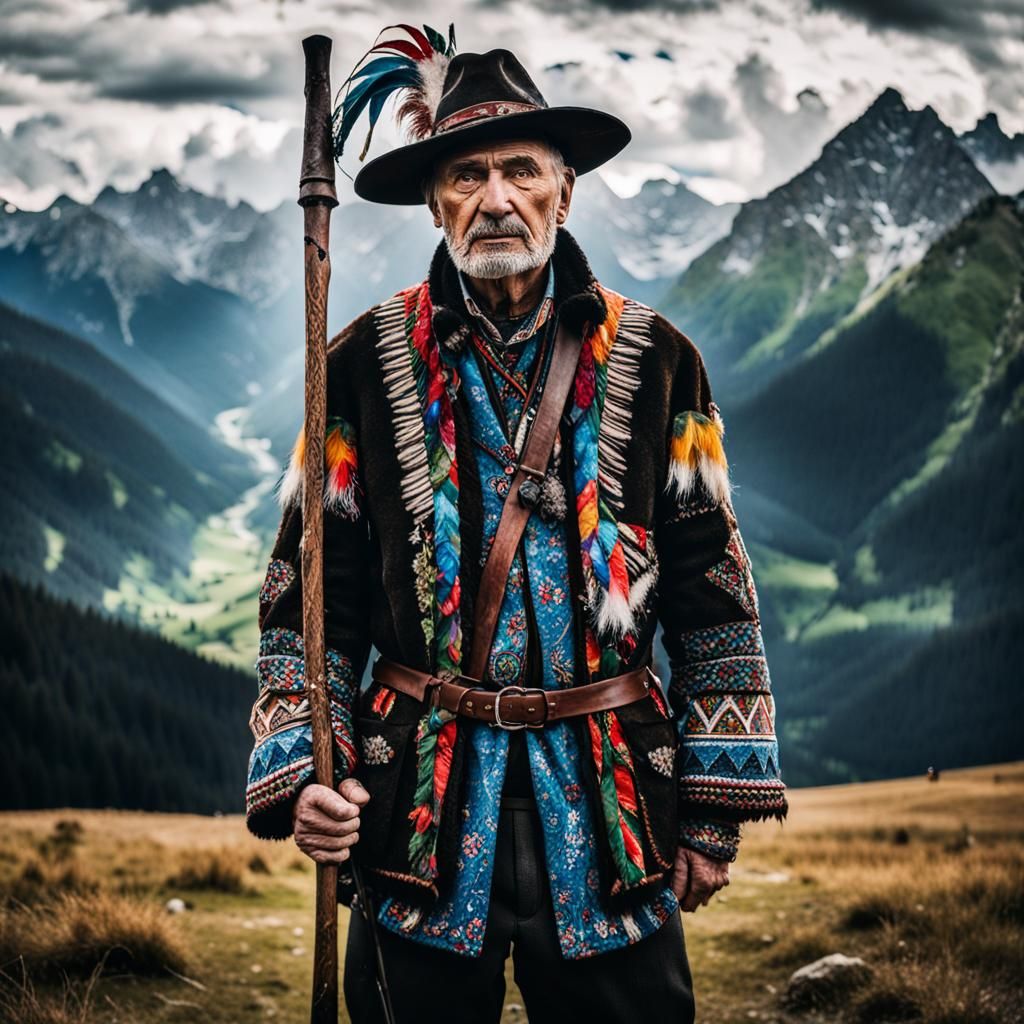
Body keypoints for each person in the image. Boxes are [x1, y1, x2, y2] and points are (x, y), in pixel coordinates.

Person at [244, 26, 788, 1024]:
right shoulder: (356, 365)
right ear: (434, 199)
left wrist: (714, 806)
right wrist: (307, 768)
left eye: (521, 171)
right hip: (415, 808)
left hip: (616, 806)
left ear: (564, 189)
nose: (495, 198)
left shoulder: (664, 359)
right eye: (466, 175)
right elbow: (306, 601)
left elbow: (716, 592)